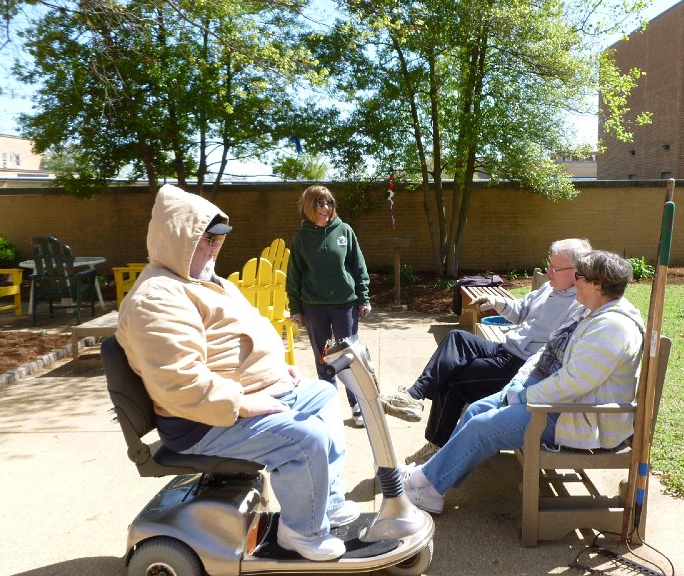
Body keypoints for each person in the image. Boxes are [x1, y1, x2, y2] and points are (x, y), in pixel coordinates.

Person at [116, 184, 357, 561]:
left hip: (245, 394)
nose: (215, 247)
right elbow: (179, 383)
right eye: (206, 239)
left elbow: (252, 329)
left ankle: (326, 501)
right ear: (179, 238)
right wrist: (242, 403)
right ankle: (303, 532)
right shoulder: (156, 299)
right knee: (305, 438)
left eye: (219, 239)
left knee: (324, 395)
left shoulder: (208, 282)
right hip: (202, 420)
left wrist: (278, 370)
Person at [400, 250, 645, 514]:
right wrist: (518, 383)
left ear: (597, 285)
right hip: (554, 402)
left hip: (575, 418)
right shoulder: (589, 312)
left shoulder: (613, 328)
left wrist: (526, 396)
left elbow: (573, 383)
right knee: (476, 410)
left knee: (483, 427)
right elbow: (546, 351)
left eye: (579, 276)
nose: (575, 280)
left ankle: (425, 482)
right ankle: (433, 487)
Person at [380, 238, 592, 464]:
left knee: (454, 380)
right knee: (456, 338)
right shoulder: (549, 287)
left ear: (577, 271)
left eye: (555, 267)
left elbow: (558, 351)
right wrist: (495, 301)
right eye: (549, 264)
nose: (549, 270)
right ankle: (414, 396)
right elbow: (521, 310)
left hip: (521, 364)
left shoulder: (578, 305)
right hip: (506, 348)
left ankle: (436, 447)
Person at [287, 185, 371, 428]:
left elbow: (358, 266)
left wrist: (363, 297)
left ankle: (357, 406)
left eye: (329, 203)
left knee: (349, 357)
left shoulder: (344, 230)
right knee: (323, 360)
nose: (325, 208)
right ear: (308, 207)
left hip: (345, 305)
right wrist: (296, 308)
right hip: (314, 307)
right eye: (319, 204)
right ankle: (328, 407)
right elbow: (295, 276)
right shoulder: (301, 238)